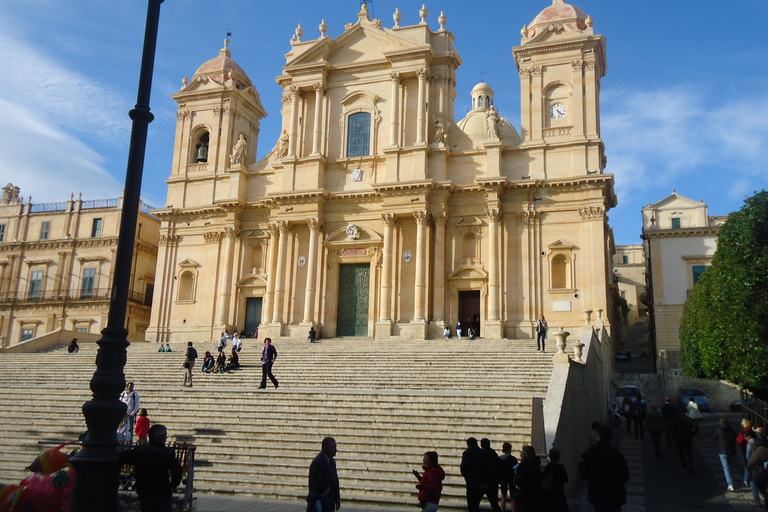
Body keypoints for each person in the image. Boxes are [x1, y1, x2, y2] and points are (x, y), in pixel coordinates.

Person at [118, 424, 182, 512]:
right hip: (162, 491)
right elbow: (177, 471)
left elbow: (123, 457)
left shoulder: (140, 450)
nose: (166, 438)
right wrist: (172, 485)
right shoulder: (167, 453)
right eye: (165, 436)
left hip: (145, 491)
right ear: (160, 438)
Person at [578, 425, 629, 512]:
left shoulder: (590, 453)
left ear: (599, 437)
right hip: (615, 495)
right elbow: (625, 475)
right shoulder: (617, 455)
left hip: (597, 495)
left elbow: (583, 473)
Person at [307, 437, 340, 512]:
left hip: (329, 502)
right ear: (326, 448)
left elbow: (335, 481)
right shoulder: (317, 463)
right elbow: (313, 485)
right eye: (333, 447)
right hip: (321, 502)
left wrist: (337, 498)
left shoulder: (332, 461)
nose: (335, 450)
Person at [460, 437, 486, 512]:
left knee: (472, 506)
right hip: (482, 482)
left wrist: (466, 476)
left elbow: (464, 468)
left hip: (472, 482)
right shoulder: (483, 453)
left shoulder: (467, 453)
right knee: (476, 504)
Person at [514, 445, 542, 512]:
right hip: (535, 496)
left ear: (526, 455)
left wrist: (515, 473)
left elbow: (518, 481)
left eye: (522, 454)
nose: (520, 455)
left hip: (526, 497)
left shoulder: (526, 467)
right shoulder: (535, 465)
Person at [714, 417, 738, 491]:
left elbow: (715, 438)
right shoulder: (732, 430)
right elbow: (734, 439)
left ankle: (730, 484)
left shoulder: (718, 430)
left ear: (720, 423)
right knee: (730, 467)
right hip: (731, 450)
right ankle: (731, 482)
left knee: (726, 467)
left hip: (722, 451)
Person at [541, 448, 569, 512]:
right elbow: (565, 479)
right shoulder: (561, 467)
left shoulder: (549, 466)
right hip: (559, 494)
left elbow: (543, 477)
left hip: (550, 495)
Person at [480, 438, 502, 512]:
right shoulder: (493, 453)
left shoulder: (481, 454)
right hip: (493, 482)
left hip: (482, 481)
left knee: (474, 504)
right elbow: (499, 466)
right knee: (494, 503)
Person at [498, 442, 517, 512]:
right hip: (511, 478)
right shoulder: (513, 459)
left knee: (503, 497)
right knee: (513, 497)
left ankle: (502, 510)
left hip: (503, 479)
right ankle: (514, 510)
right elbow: (516, 468)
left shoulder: (500, 459)